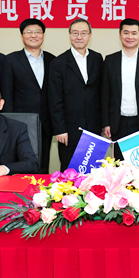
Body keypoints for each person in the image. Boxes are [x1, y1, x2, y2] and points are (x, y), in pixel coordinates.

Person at [48, 18, 103, 171]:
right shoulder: (58, 63)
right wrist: (59, 129)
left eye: (84, 33)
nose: (79, 37)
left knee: (93, 173)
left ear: (90, 36)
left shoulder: (97, 59)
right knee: (69, 172)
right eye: (75, 33)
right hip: (69, 130)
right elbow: (54, 99)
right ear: (69, 35)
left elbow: (102, 93)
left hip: (93, 128)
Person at [2, 18, 55, 173]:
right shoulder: (11, 60)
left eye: (38, 32)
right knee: (21, 164)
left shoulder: (53, 60)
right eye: (29, 32)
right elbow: (7, 93)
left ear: (43, 35)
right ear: (22, 36)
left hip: (46, 121)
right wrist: (10, 123)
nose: (34, 35)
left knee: (43, 164)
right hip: (20, 123)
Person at [101, 18, 139, 158]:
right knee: (119, 164)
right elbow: (105, 93)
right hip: (117, 123)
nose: (130, 37)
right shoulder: (110, 60)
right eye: (126, 32)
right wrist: (106, 123)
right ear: (120, 34)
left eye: (134, 33)